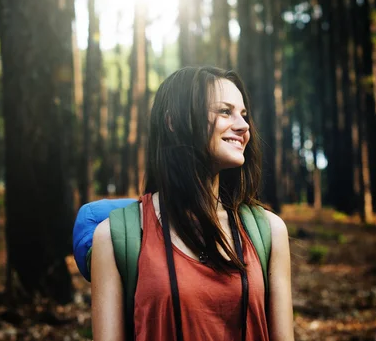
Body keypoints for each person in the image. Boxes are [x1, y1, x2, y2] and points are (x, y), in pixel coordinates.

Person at [91, 66, 294, 341]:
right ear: (174, 121)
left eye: (244, 115)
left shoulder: (268, 231)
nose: (244, 126)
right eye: (225, 111)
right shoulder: (115, 238)